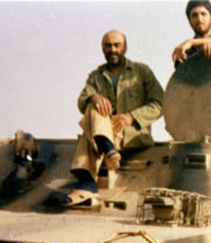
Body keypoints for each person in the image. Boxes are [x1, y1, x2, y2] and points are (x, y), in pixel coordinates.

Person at [64, 30, 164, 207]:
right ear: (103, 49)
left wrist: (131, 117)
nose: (113, 50)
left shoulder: (141, 72)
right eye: (108, 46)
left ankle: (87, 181)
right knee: (92, 105)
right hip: (107, 133)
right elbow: (81, 102)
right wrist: (94, 97)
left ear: (125, 47)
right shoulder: (96, 76)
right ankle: (108, 149)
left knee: (89, 133)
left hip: (133, 135)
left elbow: (160, 104)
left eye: (117, 45)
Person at [172, 1, 211, 67]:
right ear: (189, 20)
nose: (199, 19)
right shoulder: (185, 53)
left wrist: (191, 42)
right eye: (195, 15)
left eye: (203, 14)